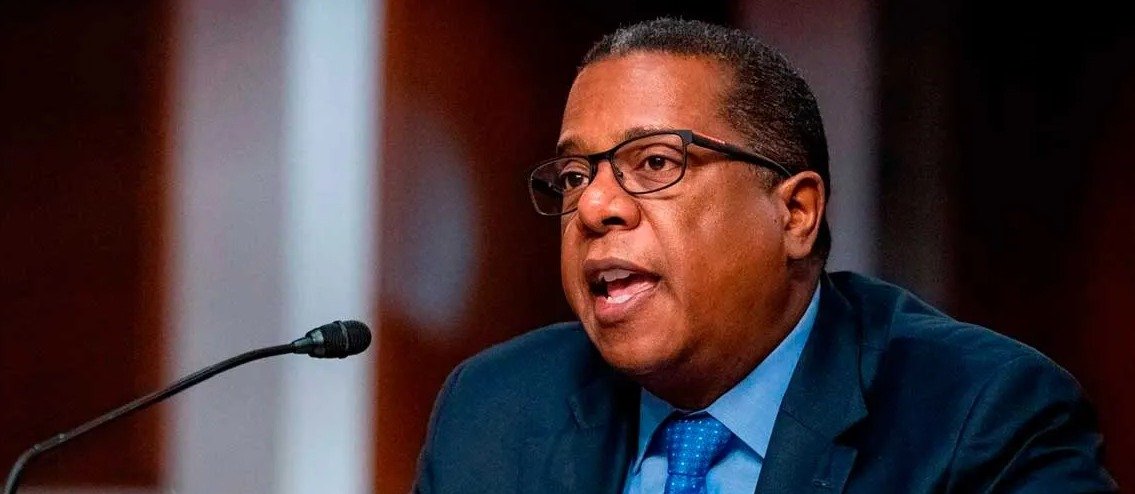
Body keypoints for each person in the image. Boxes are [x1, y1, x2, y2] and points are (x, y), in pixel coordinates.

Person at [412, 18, 1116, 493]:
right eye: (573, 176)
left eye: (654, 163)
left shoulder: (980, 416)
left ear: (795, 213)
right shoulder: (494, 409)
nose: (594, 207)